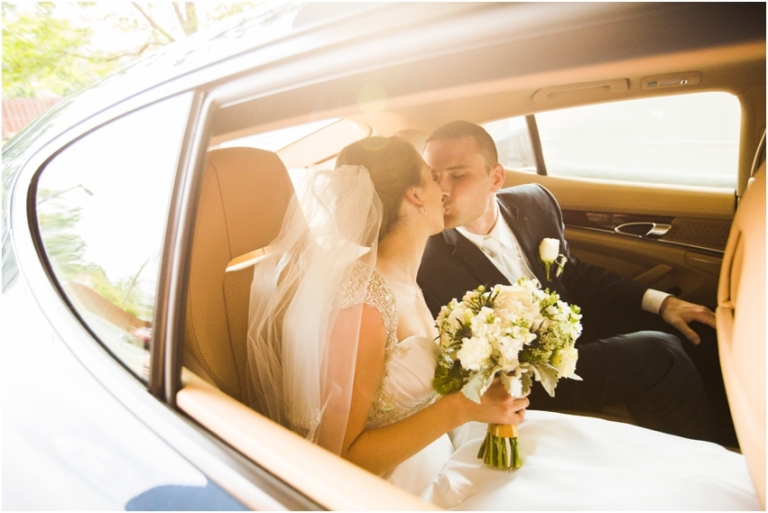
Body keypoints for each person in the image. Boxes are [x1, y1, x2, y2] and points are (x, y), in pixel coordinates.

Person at [247, 136, 757, 509]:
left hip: (456, 446)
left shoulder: (405, 280)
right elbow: (339, 462)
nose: (443, 187)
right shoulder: (361, 308)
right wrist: (463, 408)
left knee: (645, 469)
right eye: (431, 177)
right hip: (412, 487)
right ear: (415, 196)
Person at [416, 120, 737, 447]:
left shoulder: (534, 202)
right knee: (657, 353)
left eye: (458, 176)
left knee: (697, 331)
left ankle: (743, 441)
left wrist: (663, 302)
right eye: (433, 176)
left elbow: (571, 274)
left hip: (574, 329)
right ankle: (716, 464)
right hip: (528, 377)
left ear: (495, 178)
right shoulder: (425, 260)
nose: (441, 189)